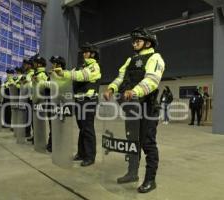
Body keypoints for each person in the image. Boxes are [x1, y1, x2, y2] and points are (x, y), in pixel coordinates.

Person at [103, 27, 165, 193]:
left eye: (138, 40)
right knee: (132, 142)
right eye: (134, 40)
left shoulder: (155, 57)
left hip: (147, 108)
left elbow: (152, 80)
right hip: (131, 107)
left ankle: (150, 180)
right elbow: (121, 77)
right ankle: (132, 173)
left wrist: (135, 91)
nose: (134, 43)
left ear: (148, 42)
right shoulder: (130, 60)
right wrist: (111, 88)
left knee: (148, 143)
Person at [54, 43, 101, 167]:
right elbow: (69, 76)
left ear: (93, 54)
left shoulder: (94, 67)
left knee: (88, 129)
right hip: (79, 101)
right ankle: (81, 153)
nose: (84, 54)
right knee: (82, 129)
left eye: (86, 52)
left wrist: (63, 73)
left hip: (88, 101)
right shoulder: (80, 67)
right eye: (84, 52)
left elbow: (80, 76)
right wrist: (56, 77)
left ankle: (90, 156)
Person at [31, 55, 52, 152]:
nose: (34, 64)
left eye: (35, 63)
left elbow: (44, 88)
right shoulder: (36, 74)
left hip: (41, 102)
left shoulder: (42, 75)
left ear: (39, 64)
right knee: (36, 124)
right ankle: (38, 140)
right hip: (36, 101)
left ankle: (41, 142)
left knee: (40, 124)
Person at [22, 58, 35, 140]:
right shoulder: (27, 74)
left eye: (26, 64)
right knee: (29, 117)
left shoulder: (32, 73)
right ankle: (28, 132)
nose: (24, 66)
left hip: (32, 98)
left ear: (30, 65)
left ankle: (35, 135)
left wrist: (27, 82)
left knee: (33, 118)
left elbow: (33, 85)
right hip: (28, 97)